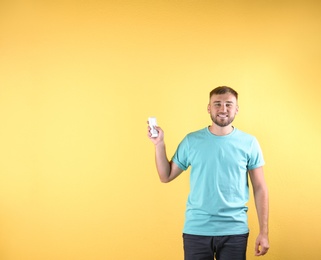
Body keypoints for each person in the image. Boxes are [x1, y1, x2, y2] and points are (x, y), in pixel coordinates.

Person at [147, 86, 269, 260]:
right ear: (209, 108)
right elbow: (165, 176)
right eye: (217, 104)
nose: (223, 109)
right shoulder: (191, 141)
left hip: (234, 230)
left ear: (237, 109)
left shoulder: (249, 143)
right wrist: (159, 144)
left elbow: (260, 188)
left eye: (229, 104)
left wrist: (264, 232)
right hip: (196, 229)